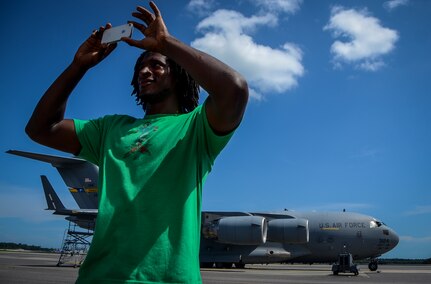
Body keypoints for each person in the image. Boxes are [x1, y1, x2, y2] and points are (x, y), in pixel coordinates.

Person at [25, 1, 248, 283]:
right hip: (100, 277)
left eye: (156, 64)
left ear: (179, 75)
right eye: (140, 67)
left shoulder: (196, 128)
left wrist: (167, 44)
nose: (144, 71)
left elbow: (235, 89)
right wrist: (78, 66)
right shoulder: (110, 128)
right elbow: (41, 128)